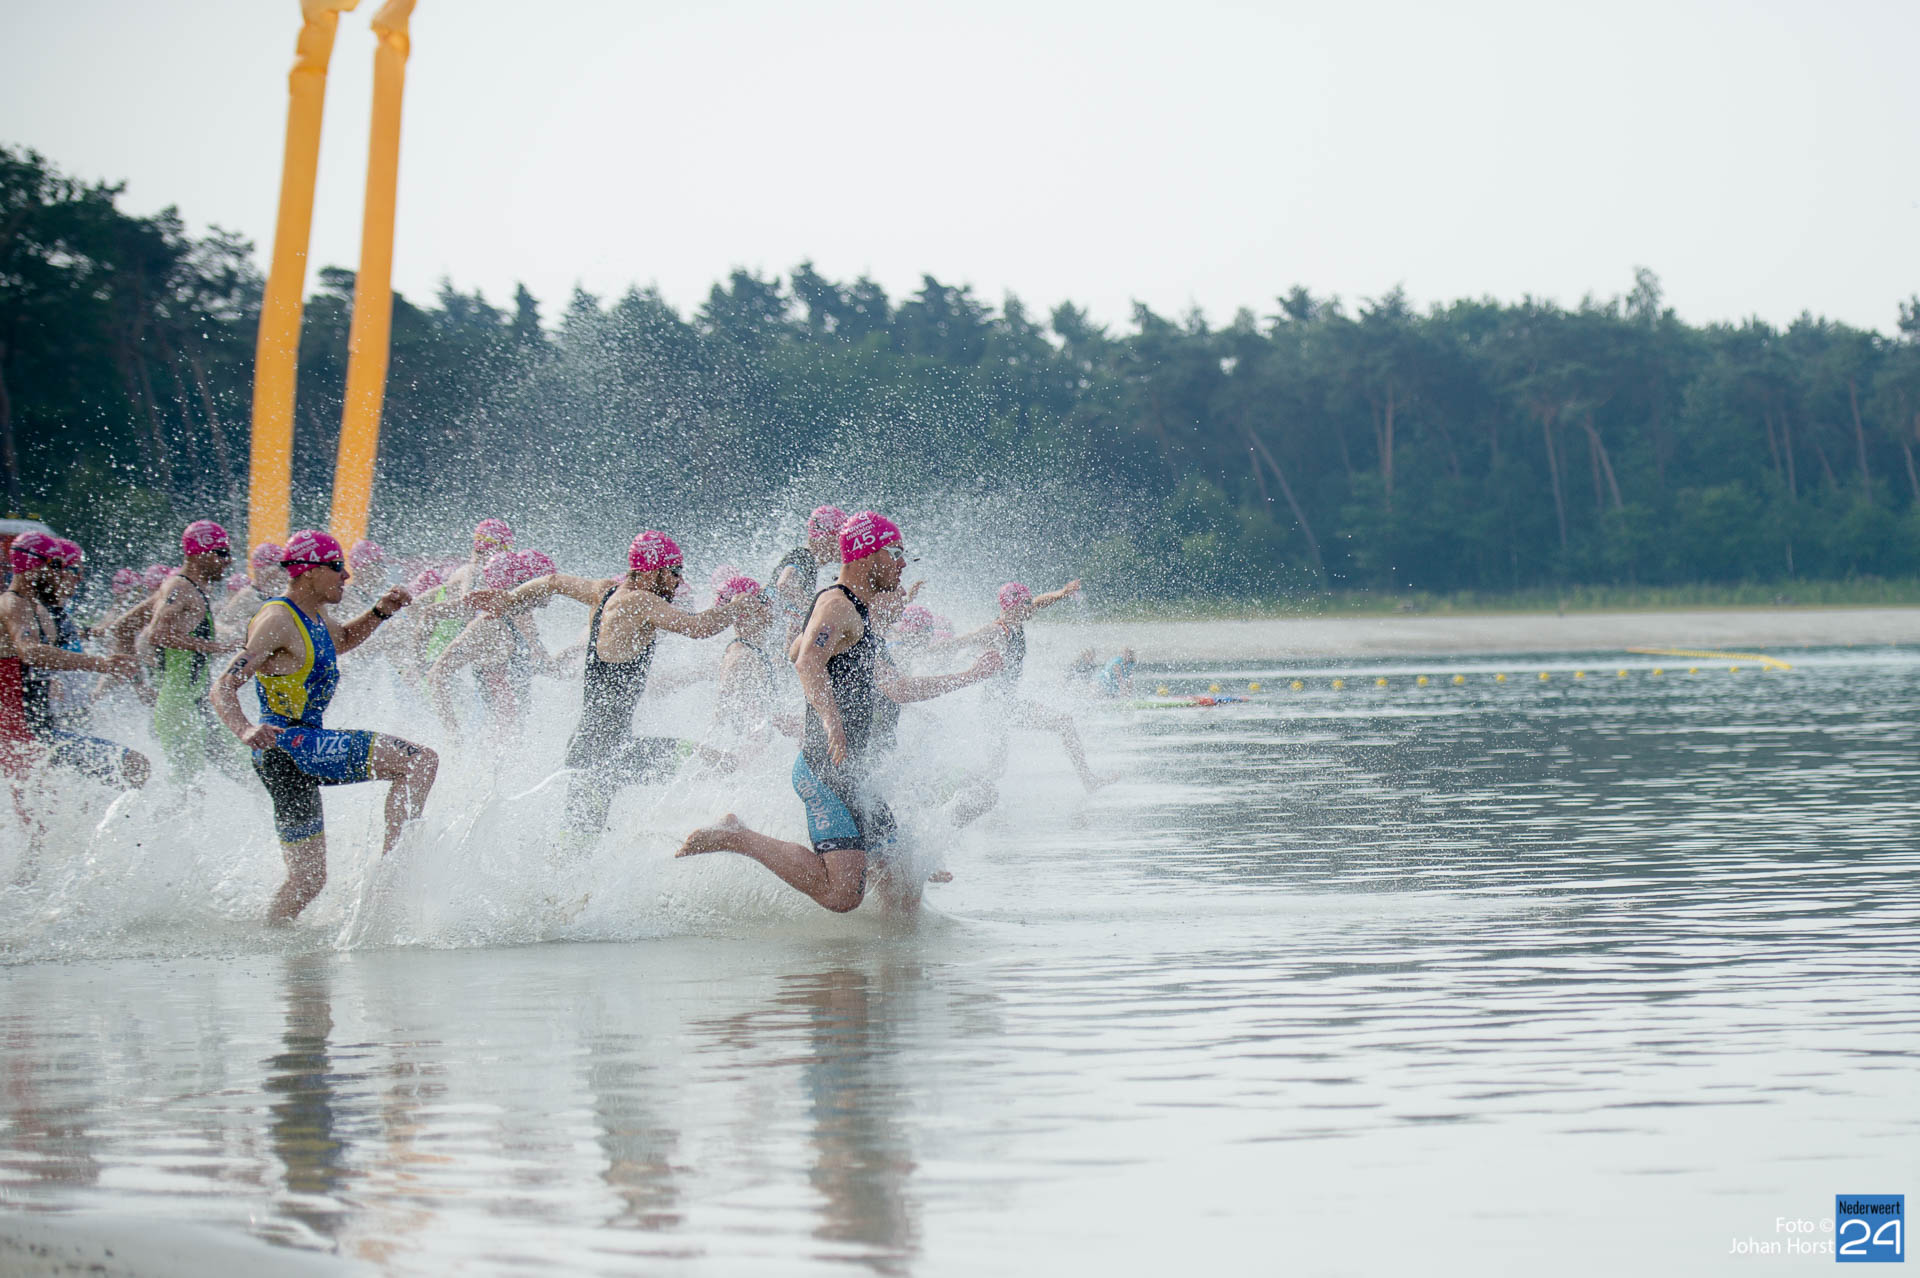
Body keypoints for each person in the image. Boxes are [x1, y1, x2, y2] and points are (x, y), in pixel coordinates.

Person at [677, 512, 1003, 914]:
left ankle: (895, 953)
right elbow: (807, 662)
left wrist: (811, 642)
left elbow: (799, 652)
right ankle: (736, 835)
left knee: (903, 894)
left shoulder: (852, 613)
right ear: (867, 554)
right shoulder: (838, 605)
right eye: (895, 552)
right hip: (826, 767)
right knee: (842, 895)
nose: (902, 564)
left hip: (853, 771)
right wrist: (831, 720)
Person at [209, 530, 439, 924]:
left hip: (286, 756)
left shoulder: (313, 616)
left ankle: (271, 939)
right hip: (290, 745)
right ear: (309, 571)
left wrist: (381, 612)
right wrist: (245, 729)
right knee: (419, 761)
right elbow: (224, 685)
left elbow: (343, 639)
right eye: (336, 567)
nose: (346, 576)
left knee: (308, 881)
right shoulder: (277, 619)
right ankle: (392, 878)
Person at [473, 530, 748, 838]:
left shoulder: (605, 591)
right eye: (674, 571)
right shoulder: (640, 601)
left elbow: (553, 581)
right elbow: (698, 627)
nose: (678, 581)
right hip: (605, 753)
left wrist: (511, 599)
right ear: (651, 571)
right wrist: (739, 606)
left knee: (706, 762)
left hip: (596, 745)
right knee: (709, 761)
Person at [948, 580, 1106, 825]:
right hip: (995, 708)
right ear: (1012, 605)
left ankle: (1089, 780)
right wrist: (930, 648)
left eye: (1029, 603)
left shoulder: (1017, 623)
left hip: (1005, 705)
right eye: (1026, 603)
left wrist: (1063, 593)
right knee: (1000, 765)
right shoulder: (998, 630)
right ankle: (950, 782)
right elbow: (966, 639)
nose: (1031, 607)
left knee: (997, 768)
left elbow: (1041, 601)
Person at [0, 531, 148, 789]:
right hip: (23, 737)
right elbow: (31, 652)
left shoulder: (34, 608)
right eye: (56, 565)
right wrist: (102, 664)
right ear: (32, 564)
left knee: (78, 796)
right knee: (133, 765)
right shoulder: (14, 605)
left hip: (37, 731)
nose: (61, 574)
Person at [143, 520, 245, 782]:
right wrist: (215, 647)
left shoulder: (191, 588)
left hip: (198, 703)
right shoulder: (180, 587)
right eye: (221, 553)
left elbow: (125, 626)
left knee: (247, 772)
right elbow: (156, 634)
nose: (228, 561)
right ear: (199, 553)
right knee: (187, 787)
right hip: (178, 706)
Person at [423, 550, 563, 736]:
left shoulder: (519, 619)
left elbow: (542, 667)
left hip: (514, 733)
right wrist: (454, 736)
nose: (552, 591)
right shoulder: (488, 625)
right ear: (525, 583)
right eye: (546, 584)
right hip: (495, 738)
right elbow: (436, 675)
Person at [767, 506, 845, 640]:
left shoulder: (808, 564)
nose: (843, 546)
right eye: (840, 539)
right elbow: (785, 584)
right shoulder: (803, 557)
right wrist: (818, 612)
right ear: (826, 538)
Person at [217, 542, 289, 631]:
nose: (285, 573)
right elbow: (220, 627)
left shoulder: (282, 595)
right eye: (281, 568)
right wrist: (239, 629)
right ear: (264, 569)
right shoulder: (246, 597)